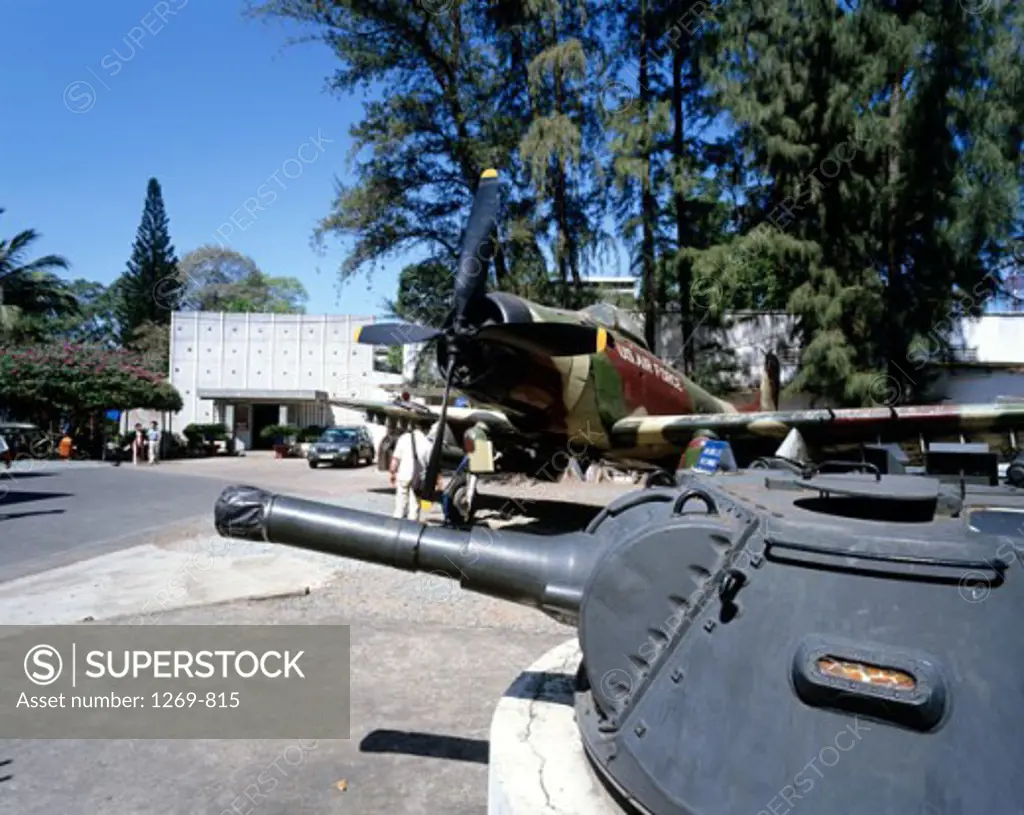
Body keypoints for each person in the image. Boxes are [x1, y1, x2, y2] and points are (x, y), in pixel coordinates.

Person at [389, 423, 430, 521]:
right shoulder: (428, 444)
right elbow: (430, 465)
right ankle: (411, 529)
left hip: (403, 475)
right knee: (414, 507)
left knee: (400, 504)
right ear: (426, 430)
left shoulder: (404, 438)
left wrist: (392, 473)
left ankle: (397, 524)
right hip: (417, 479)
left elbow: (395, 460)